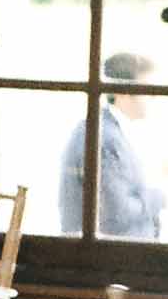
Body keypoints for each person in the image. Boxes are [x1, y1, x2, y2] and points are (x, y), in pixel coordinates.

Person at [59, 52, 164, 239]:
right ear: (123, 92)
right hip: (110, 254)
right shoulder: (104, 139)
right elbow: (115, 214)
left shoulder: (109, 132)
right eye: (149, 90)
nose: (154, 97)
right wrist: (161, 196)